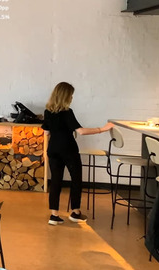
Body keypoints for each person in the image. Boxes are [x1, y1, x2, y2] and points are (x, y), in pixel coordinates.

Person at [42, 81, 114, 225]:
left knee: (55, 182)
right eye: (71, 95)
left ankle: (54, 215)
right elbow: (81, 131)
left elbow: (46, 133)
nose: (72, 98)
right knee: (76, 180)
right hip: (68, 150)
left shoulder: (48, 111)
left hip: (53, 150)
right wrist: (103, 129)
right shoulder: (67, 112)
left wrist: (45, 152)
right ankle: (75, 212)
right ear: (66, 96)